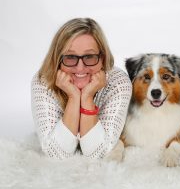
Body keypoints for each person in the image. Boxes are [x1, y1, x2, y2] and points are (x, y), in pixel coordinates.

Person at [31, 18, 132, 159]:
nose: (80, 67)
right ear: (57, 59)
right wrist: (74, 97)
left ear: (102, 58)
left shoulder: (118, 82)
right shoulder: (44, 80)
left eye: (89, 56)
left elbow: (97, 153)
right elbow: (56, 153)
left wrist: (87, 97)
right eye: (70, 57)